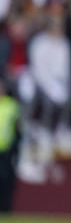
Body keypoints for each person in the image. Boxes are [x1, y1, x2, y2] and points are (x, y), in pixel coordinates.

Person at [0, 80, 21, 211]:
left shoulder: (11, 105)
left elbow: (18, 126)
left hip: (6, 151)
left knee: (5, 181)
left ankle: (5, 209)